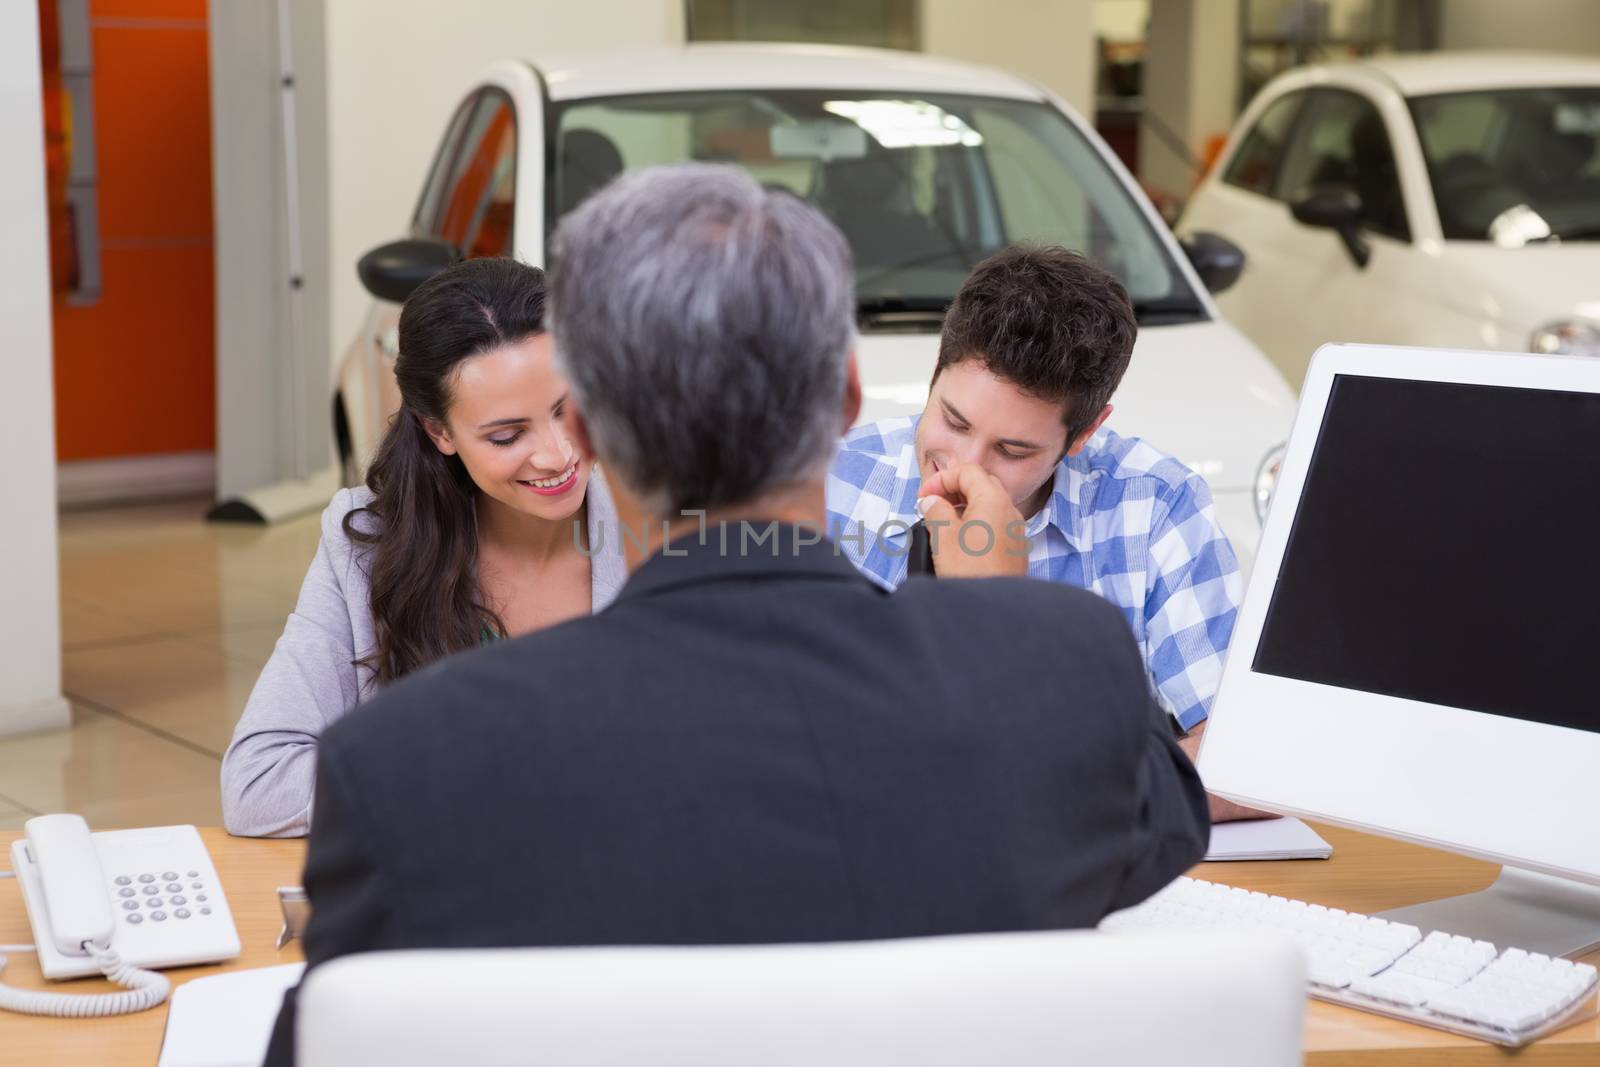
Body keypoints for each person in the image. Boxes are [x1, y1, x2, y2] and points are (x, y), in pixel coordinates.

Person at [263, 165, 1207, 1066]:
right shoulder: (1069, 671)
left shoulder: (400, 762)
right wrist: (999, 616)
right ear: (846, 398)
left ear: (585, 429)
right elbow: (1158, 821)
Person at [826, 245, 1260, 821]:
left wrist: (1059, 808)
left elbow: (1253, 763)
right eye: (953, 421)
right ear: (936, 370)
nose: (966, 465)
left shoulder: (1154, 505)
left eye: (1014, 450)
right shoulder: (827, 485)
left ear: (1084, 434)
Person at [221, 258, 625, 838]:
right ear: (440, 432)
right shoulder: (367, 543)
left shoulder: (673, 522)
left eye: (568, 409)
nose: (559, 454)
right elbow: (258, 785)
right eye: (508, 436)